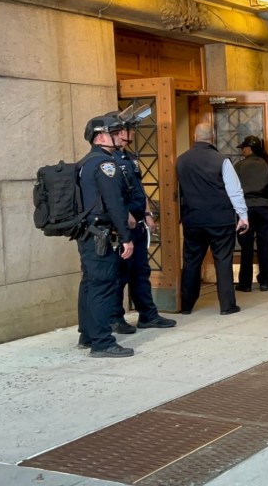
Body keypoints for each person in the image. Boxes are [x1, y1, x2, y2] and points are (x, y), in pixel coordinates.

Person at [106, 114, 177, 333]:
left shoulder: (129, 157)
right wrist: (125, 214)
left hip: (137, 223)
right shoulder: (109, 160)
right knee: (121, 274)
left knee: (140, 271)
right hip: (122, 226)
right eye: (129, 130)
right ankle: (115, 318)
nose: (133, 133)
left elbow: (138, 188)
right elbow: (112, 194)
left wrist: (147, 213)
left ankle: (148, 314)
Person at [76, 115, 136, 358]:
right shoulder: (105, 164)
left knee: (90, 285)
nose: (121, 135)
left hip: (88, 233)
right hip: (101, 233)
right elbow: (114, 203)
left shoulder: (85, 162)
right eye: (115, 132)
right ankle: (102, 342)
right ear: (100, 137)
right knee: (102, 286)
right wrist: (125, 237)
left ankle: (88, 335)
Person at [176, 123, 249, 315]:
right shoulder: (221, 160)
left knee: (191, 262)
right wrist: (243, 215)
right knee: (223, 261)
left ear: (194, 136)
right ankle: (227, 305)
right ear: (213, 137)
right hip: (220, 220)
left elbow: (176, 192)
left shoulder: (181, 160)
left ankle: (186, 305)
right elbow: (234, 190)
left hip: (193, 219)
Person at [234, 135, 268, 293]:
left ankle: (245, 283)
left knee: (246, 246)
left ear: (249, 148)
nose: (242, 150)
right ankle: (264, 281)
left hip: (245, 210)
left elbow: (232, 188)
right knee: (265, 244)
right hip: (264, 208)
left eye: (243, 147)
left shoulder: (239, 166)